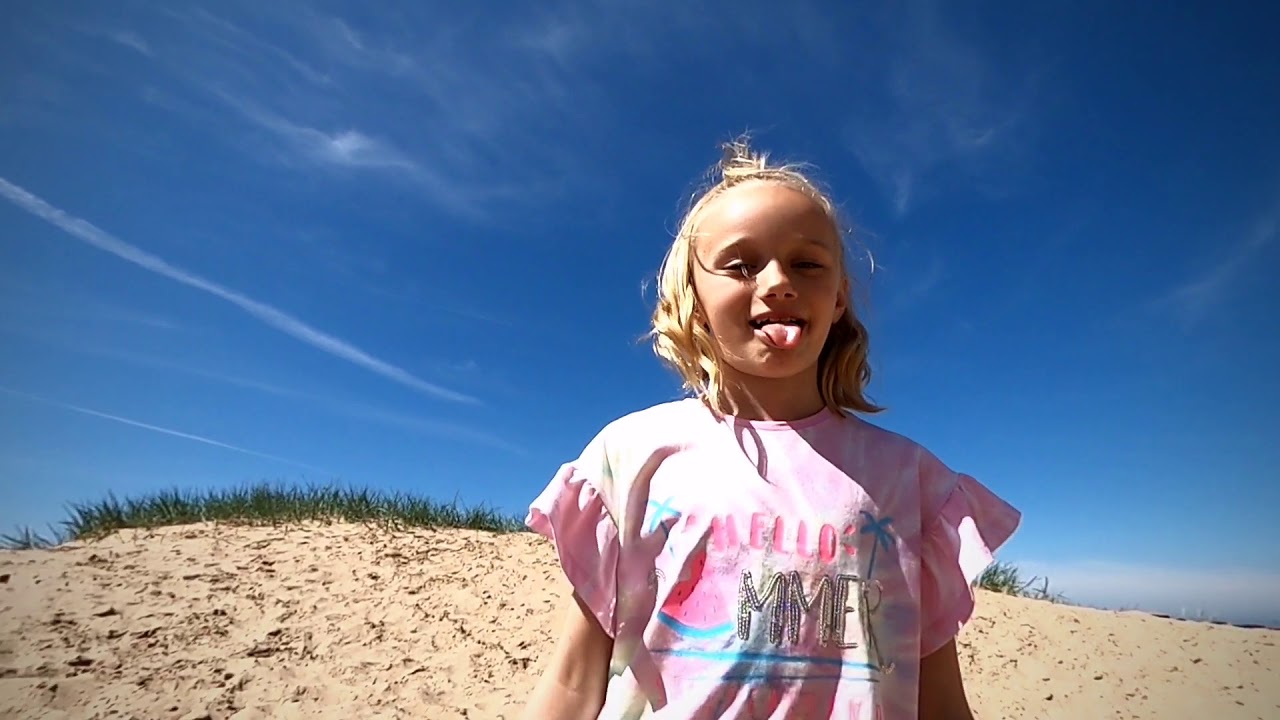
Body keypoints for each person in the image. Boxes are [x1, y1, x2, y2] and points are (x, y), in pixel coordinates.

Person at [520, 138, 1021, 719]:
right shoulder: (632, 454)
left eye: (807, 264)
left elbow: (938, 701)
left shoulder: (910, 482)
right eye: (740, 264)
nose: (778, 281)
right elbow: (575, 681)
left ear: (838, 299)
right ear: (694, 297)